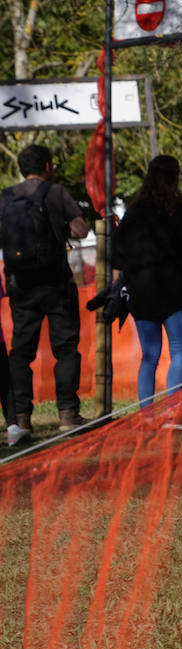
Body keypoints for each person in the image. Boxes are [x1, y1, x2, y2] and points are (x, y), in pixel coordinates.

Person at [0, 144, 90, 443]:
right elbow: (80, 231)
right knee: (65, 348)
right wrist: (61, 226)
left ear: (21, 168)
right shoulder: (56, 193)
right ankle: (67, 413)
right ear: (48, 166)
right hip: (55, 283)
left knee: (20, 351)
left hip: (20, 285)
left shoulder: (6, 197)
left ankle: (22, 418)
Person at [112, 156, 182, 408]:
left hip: (141, 293)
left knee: (149, 356)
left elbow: (117, 254)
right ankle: (173, 409)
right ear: (175, 177)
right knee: (180, 351)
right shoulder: (179, 210)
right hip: (174, 293)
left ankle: (147, 413)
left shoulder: (134, 212)